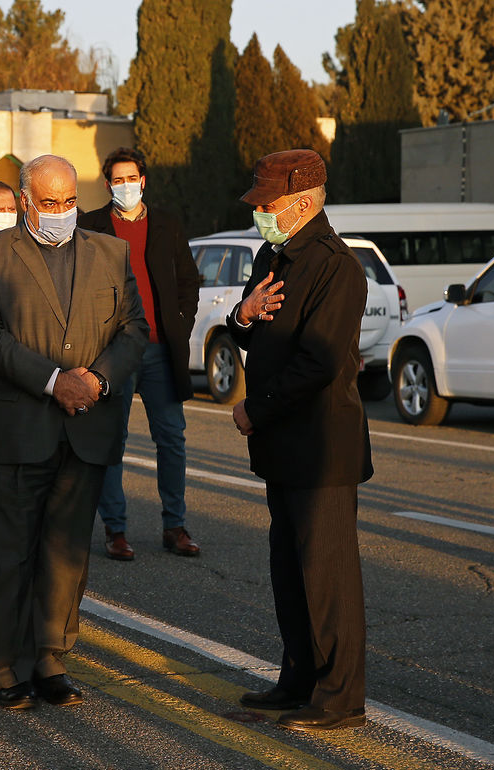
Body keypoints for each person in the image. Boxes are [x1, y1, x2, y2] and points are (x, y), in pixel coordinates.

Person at [0, 154, 148, 711]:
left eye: (69, 202)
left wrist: (96, 378)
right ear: (24, 201)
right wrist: (52, 381)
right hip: (19, 428)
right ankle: (4, 664)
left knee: (67, 554)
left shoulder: (110, 253)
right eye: (49, 203)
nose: (62, 213)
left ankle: (51, 658)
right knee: (10, 552)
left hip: (86, 427)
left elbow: (134, 327)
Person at [228, 149, 373, 732]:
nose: (261, 214)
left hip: (320, 446)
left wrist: (254, 411)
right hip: (282, 446)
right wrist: (244, 312)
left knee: (327, 574)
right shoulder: (273, 254)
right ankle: (298, 678)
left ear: (305, 202)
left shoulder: (336, 266)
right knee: (289, 570)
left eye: (269, 204)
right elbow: (249, 334)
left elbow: (318, 360)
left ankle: (340, 695)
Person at [77, 147, 201, 561]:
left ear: (143, 180)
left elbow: (188, 280)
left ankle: (175, 525)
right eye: (117, 179)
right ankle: (115, 529)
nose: (125, 186)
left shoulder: (166, 223)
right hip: (114, 351)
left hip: (161, 349)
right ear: (108, 183)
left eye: (132, 178)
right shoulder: (91, 225)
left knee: (171, 438)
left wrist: (180, 322)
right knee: (113, 439)